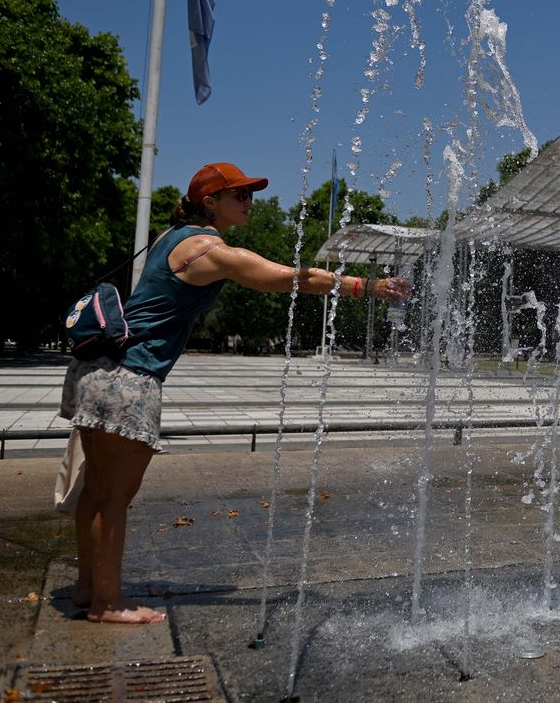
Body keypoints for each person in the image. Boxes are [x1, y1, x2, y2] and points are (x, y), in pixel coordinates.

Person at [60, 162, 409, 624]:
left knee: (97, 491)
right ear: (210, 202)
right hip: (128, 379)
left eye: (250, 194)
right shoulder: (208, 249)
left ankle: (89, 590)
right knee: (114, 496)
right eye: (238, 195)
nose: (248, 202)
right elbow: (291, 278)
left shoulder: (171, 236)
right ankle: (108, 602)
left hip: (96, 369)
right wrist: (365, 286)